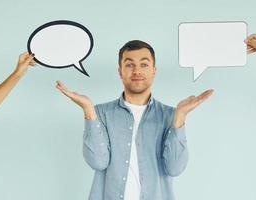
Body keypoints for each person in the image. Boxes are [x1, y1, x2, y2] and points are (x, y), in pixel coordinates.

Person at [56, 40, 213, 200]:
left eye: (144, 65)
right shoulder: (100, 113)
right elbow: (98, 162)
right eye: (129, 65)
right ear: (120, 72)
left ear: (154, 71)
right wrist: (88, 110)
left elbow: (175, 168)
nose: (137, 71)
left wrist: (180, 116)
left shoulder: (170, 115)